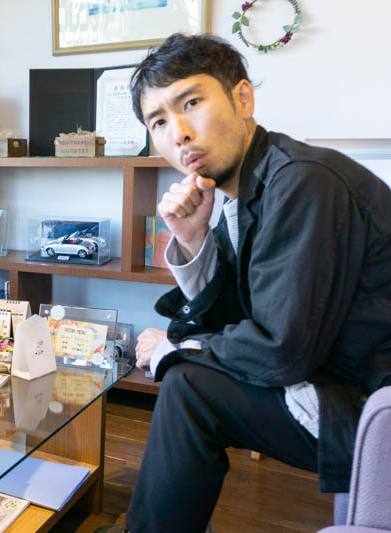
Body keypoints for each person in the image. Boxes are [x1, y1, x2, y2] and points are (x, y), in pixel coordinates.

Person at [97, 33, 391, 533]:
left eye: (191, 102)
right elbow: (235, 318)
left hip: (366, 401)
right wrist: (192, 238)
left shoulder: (302, 181)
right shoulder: (248, 189)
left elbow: (279, 351)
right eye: (159, 122)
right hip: (336, 379)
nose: (179, 133)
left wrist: (176, 349)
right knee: (190, 382)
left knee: (189, 386)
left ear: (243, 97)